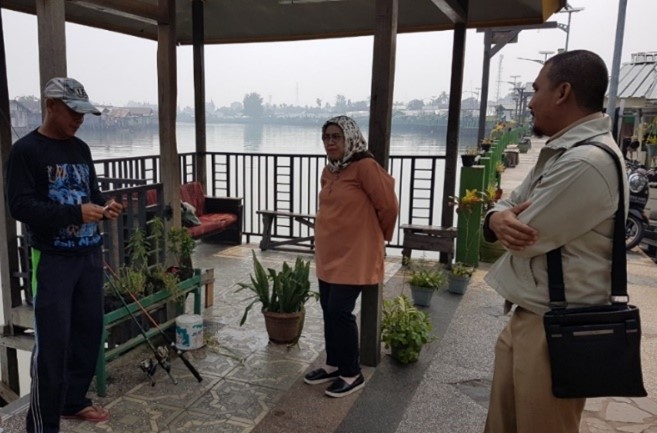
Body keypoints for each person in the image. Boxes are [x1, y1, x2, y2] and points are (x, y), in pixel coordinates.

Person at [482, 50, 628, 433]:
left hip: (556, 327)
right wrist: (495, 216)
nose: (530, 102)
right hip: (536, 313)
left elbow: (524, 235)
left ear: (562, 92)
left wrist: (501, 218)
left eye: (536, 90)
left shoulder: (586, 162)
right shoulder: (565, 152)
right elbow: (510, 204)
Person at [6, 77, 124, 433]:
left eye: (83, 113)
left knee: (89, 334)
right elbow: (20, 206)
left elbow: (92, 192)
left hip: (89, 255)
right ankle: (42, 425)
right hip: (52, 259)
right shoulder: (26, 151)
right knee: (52, 345)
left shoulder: (81, 149)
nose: (79, 119)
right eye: (73, 111)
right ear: (50, 106)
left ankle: (73, 401)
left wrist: (106, 205)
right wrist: (75, 213)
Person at [303, 115, 398, 398]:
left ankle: (352, 372)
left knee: (339, 311)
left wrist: (377, 237)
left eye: (337, 137)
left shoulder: (365, 167)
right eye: (326, 137)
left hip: (355, 253)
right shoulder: (330, 170)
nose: (330, 142)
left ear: (350, 138)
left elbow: (389, 206)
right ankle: (333, 364)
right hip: (329, 252)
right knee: (327, 309)